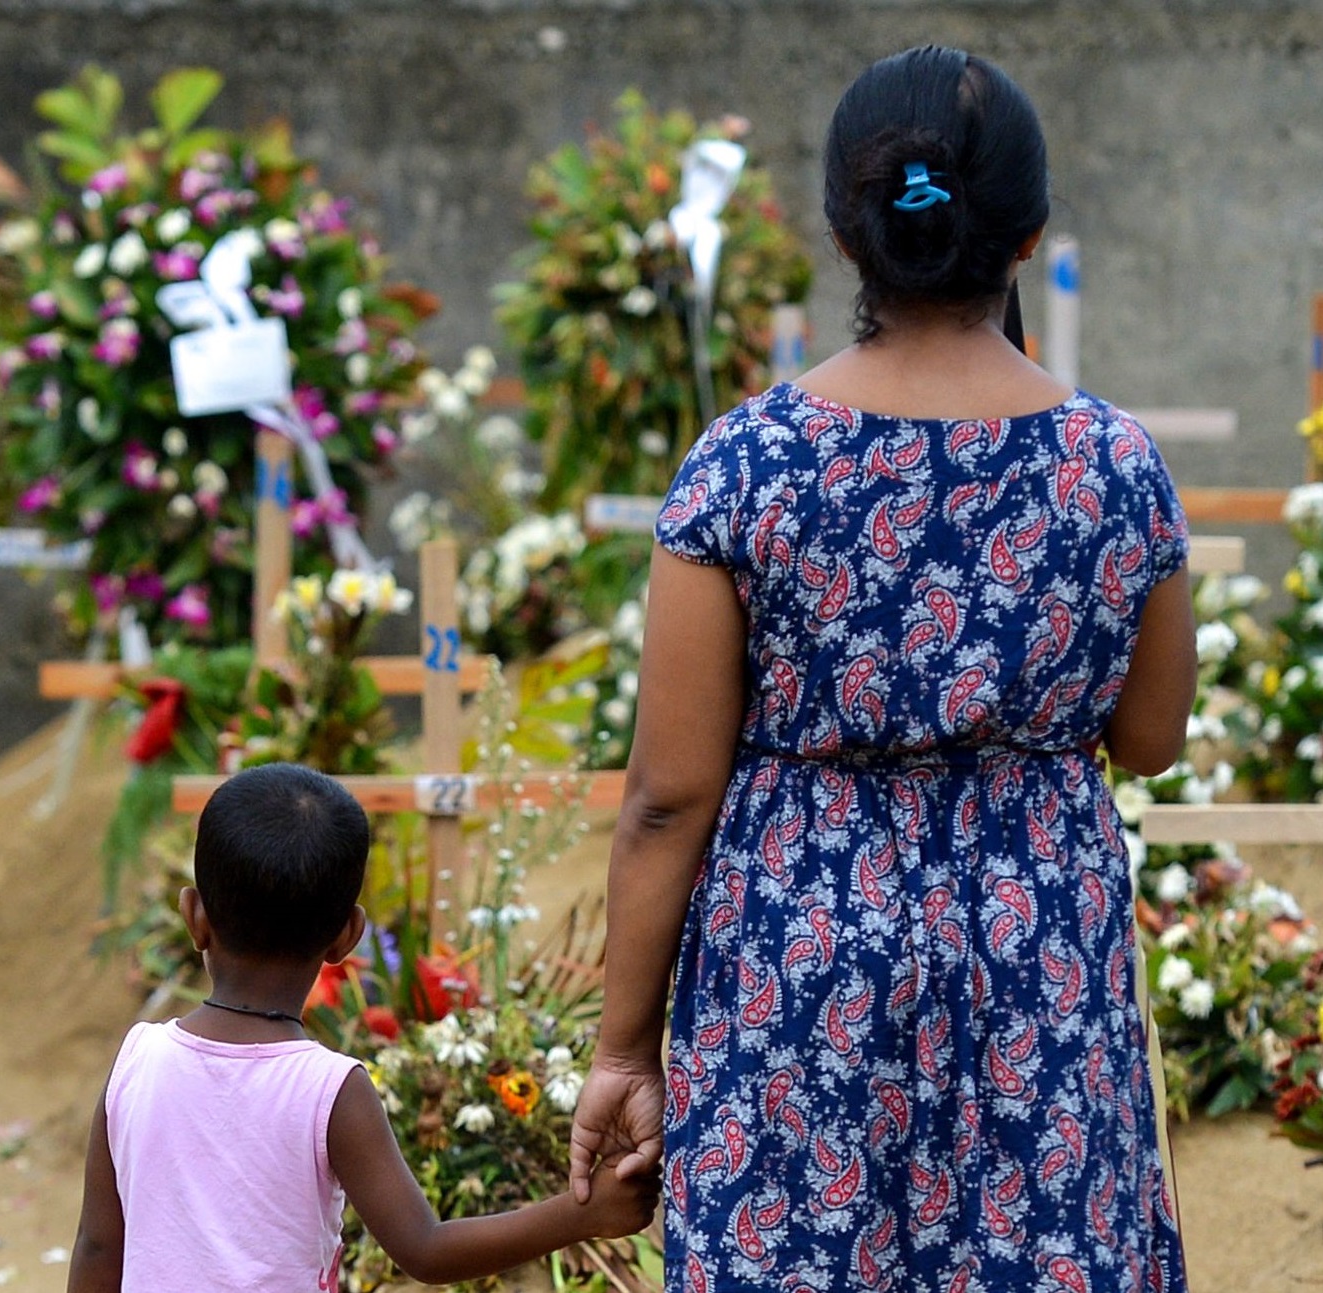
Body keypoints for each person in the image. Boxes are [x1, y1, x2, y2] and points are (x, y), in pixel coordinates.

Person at [567, 44, 1198, 1292]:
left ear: (846, 240)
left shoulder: (745, 467)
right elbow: (1149, 740)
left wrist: (625, 1053)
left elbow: (669, 793)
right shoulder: (1116, 467)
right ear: (1027, 241)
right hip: (1042, 973)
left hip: (796, 963)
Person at [68, 762, 660, 1292]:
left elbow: (99, 1247)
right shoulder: (329, 1089)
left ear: (194, 917)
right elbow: (424, 1249)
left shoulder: (136, 1059)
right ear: (348, 937)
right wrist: (585, 1213)